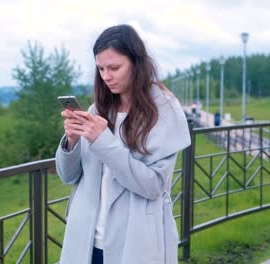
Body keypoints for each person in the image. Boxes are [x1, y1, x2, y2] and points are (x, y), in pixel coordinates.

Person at [55, 24, 191, 264]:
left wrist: (102, 140)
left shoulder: (164, 110)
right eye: (100, 69)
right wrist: (71, 141)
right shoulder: (97, 110)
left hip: (134, 244)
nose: (106, 76)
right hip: (86, 244)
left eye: (114, 68)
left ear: (137, 64)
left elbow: (153, 186)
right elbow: (68, 176)